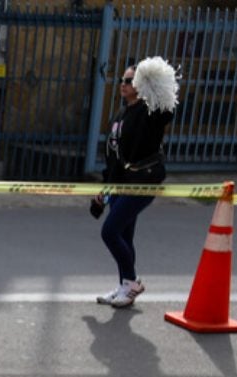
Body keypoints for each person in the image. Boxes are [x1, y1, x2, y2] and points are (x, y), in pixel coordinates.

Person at [93, 57, 177, 308]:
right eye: (122, 80)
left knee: (110, 231)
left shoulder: (150, 111)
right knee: (125, 236)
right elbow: (114, 154)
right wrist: (105, 190)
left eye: (130, 81)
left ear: (142, 85)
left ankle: (131, 283)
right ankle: (124, 286)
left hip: (144, 179)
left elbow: (167, 111)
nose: (124, 84)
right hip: (122, 180)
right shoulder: (121, 113)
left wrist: (157, 82)